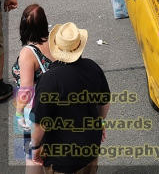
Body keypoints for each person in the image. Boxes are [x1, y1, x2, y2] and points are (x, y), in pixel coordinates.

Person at [29, 22, 110, 174]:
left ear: (56, 47)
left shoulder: (49, 80)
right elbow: (104, 102)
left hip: (62, 158)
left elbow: (40, 123)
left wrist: (35, 147)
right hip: (90, 148)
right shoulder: (93, 67)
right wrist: (100, 121)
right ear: (79, 46)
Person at [13, 4, 53, 172]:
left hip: (36, 110)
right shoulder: (55, 42)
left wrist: (19, 113)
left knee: (32, 156)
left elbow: (26, 89)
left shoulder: (28, 53)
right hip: (57, 105)